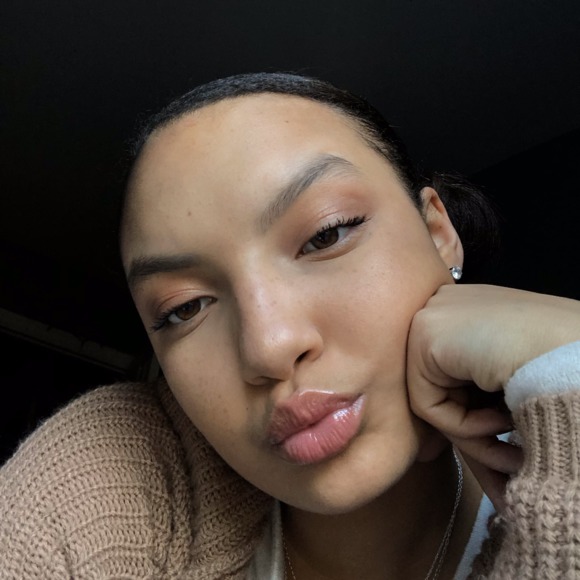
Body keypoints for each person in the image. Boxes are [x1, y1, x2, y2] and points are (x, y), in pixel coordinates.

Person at [1, 72, 579, 579]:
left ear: (438, 233)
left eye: (327, 234)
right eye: (185, 307)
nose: (270, 347)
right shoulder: (126, 475)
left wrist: (568, 364)